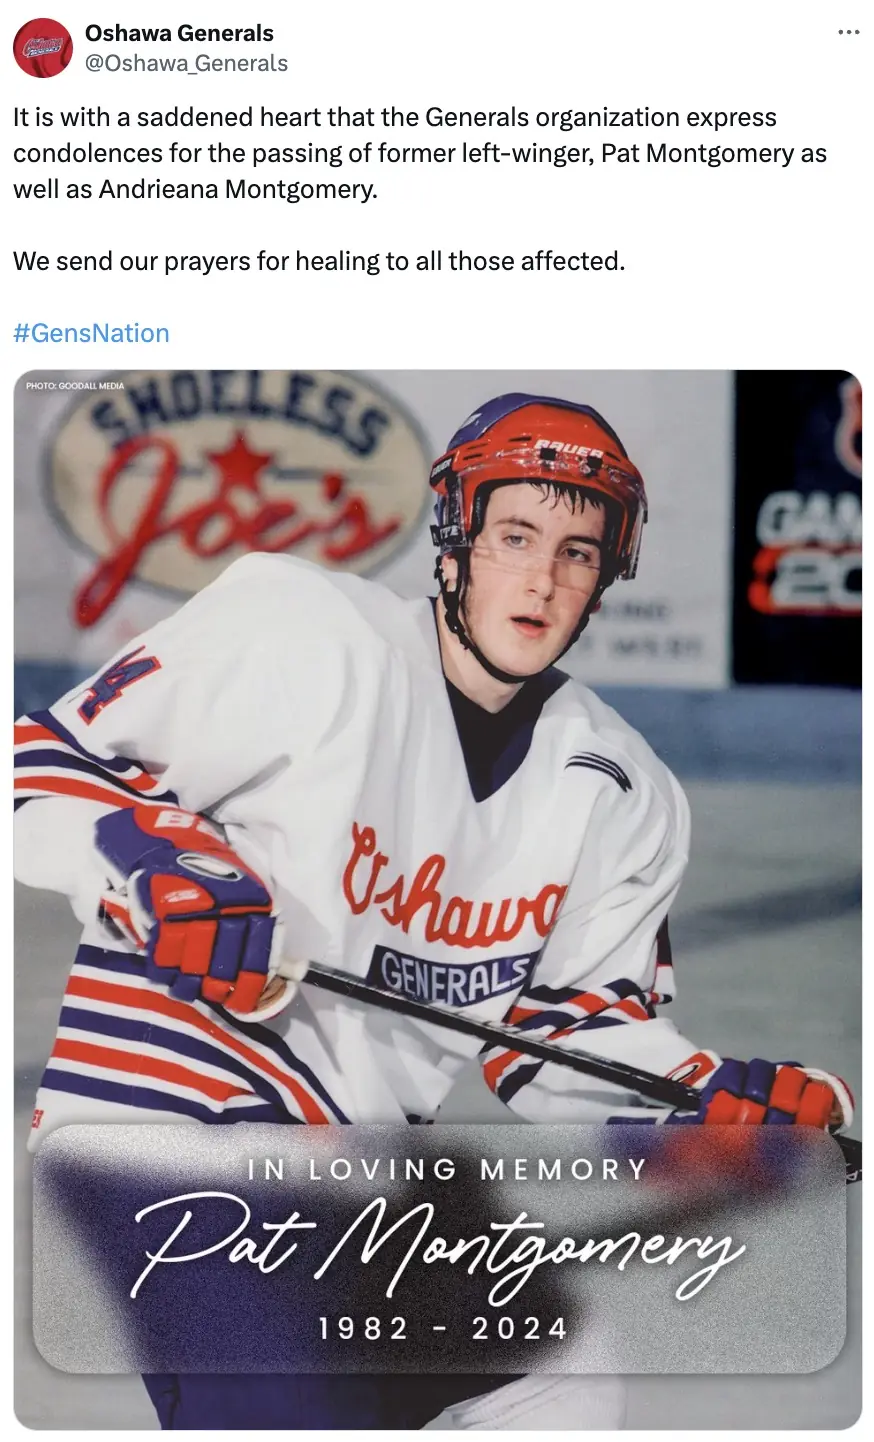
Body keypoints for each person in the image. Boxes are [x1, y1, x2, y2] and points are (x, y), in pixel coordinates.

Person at [15, 393, 853, 1430]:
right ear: (454, 539)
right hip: (164, 1129)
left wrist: (693, 1106)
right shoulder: (303, 631)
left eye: (578, 550)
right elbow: (44, 758)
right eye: (515, 536)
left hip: (358, 1169)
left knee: (556, 1376)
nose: (543, 578)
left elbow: (561, 1036)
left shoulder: (620, 788)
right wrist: (162, 867)